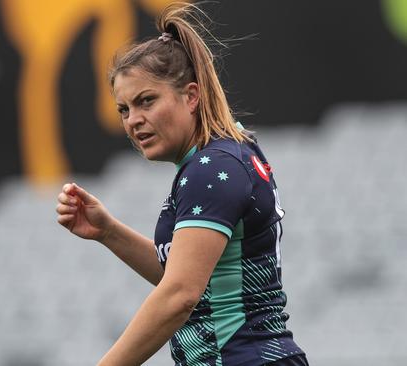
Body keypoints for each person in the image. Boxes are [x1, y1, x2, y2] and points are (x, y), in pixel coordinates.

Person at [55, 3, 307, 366]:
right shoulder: (224, 154)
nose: (133, 121)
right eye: (124, 109)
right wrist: (108, 231)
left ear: (191, 96)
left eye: (146, 101)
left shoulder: (212, 168)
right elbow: (192, 278)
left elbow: (180, 295)